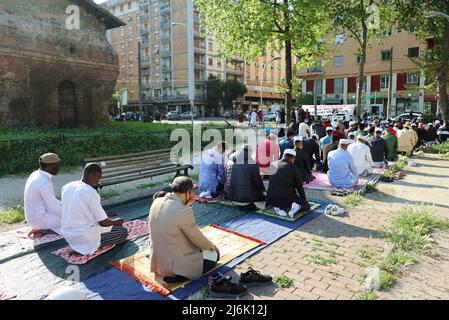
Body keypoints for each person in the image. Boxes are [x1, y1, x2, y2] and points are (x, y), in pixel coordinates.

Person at [148, 176, 220, 283]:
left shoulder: (157, 201)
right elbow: (196, 237)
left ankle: (177, 273)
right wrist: (212, 247)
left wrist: (188, 206)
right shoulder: (182, 210)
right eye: (192, 192)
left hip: (157, 261)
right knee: (214, 255)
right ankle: (181, 275)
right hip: (175, 264)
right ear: (189, 191)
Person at [61, 163, 128, 255]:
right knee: (123, 232)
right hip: (84, 236)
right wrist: (116, 222)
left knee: (106, 227)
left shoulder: (67, 186)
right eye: (98, 178)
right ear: (93, 175)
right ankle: (88, 247)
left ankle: (78, 246)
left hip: (68, 235)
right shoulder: (90, 192)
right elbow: (103, 222)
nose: (98, 181)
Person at [24, 153, 63, 237]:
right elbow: (53, 208)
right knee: (74, 221)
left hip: (33, 217)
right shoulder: (43, 181)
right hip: (39, 219)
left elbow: (50, 202)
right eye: (57, 165)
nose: (58, 168)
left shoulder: (35, 174)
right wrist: (69, 213)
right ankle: (44, 229)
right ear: (51, 166)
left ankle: (43, 228)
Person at [266, 149, 311, 218]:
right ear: (293, 158)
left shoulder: (272, 164)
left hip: (270, 198)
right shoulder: (294, 168)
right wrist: (303, 199)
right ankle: (296, 207)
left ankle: (277, 207)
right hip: (286, 197)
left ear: (283, 156)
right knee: (306, 205)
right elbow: (299, 186)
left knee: (280, 194)